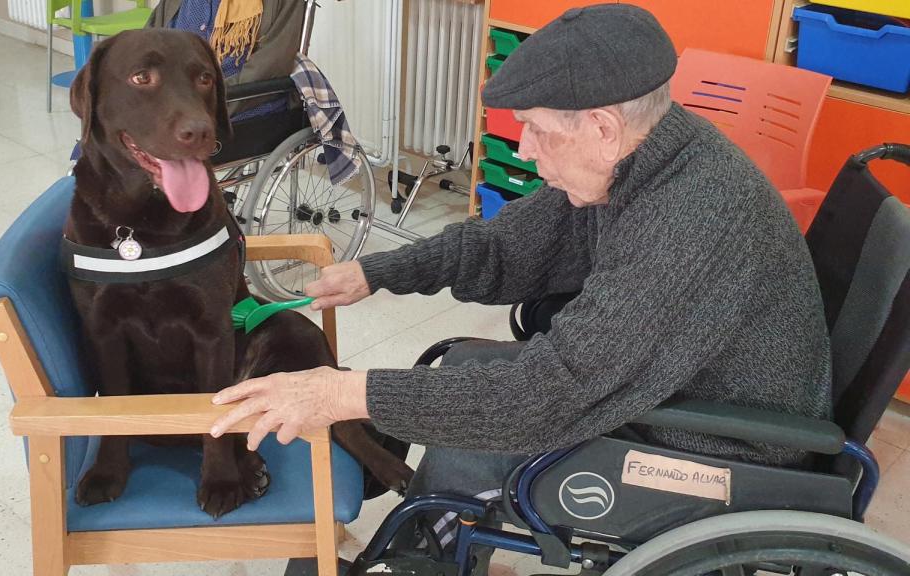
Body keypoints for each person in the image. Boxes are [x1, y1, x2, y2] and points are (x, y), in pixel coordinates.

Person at [209, 1, 832, 558]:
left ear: (602, 127)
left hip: (725, 445)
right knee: (455, 370)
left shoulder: (689, 217)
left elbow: (549, 393)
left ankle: (424, 547)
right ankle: (430, 538)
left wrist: (342, 395)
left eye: (536, 129)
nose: (525, 149)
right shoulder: (647, 152)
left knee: (472, 443)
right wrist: (379, 271)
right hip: (671, 385)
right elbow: (506, 244)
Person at [146, 0, 305, 117]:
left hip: (237, 102)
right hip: (172, 100)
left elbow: (272, 64)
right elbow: (148, 43)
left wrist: (208, 101)